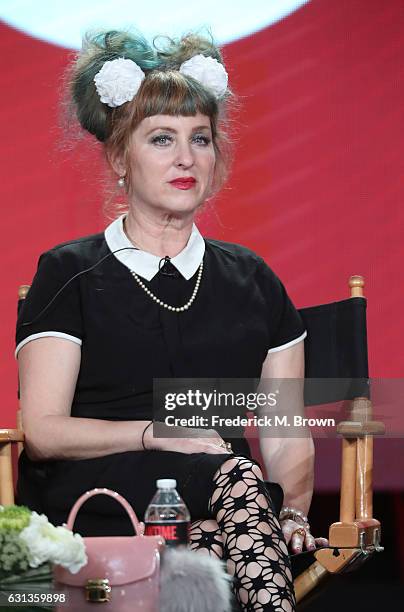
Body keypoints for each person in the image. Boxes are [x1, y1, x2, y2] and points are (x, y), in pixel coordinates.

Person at [15, 29, 325, 611]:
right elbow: (45, 433)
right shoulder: (70, 273)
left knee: (210, 543)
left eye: (200, 140)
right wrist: (153, 433)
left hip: (227, 505)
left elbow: (285, 433)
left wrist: (292, 514)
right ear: (118, 158)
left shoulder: (253, 280)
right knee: (234, 481)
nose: (187, 158)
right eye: (162, 139)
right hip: (100, 494)